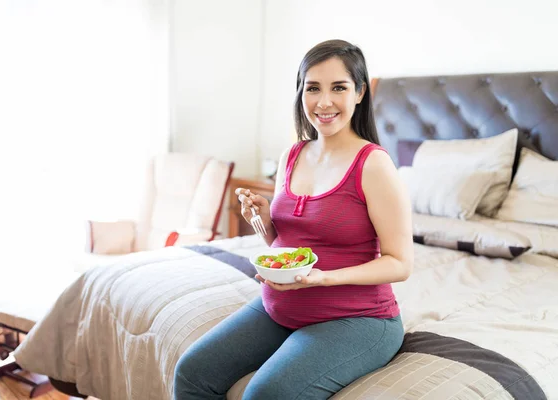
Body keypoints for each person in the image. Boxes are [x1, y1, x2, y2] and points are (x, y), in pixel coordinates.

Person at [174, 39, 413, 400]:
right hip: (281, 307)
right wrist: (263, 219)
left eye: (339, 87)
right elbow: (284, 246)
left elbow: (400, 263)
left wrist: (323, 279)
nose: (324, 101)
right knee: (191, 373)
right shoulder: (293, 154)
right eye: (312, 88)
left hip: (358, 318)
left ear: (360, 92)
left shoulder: (373, 165)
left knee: (265, 394)